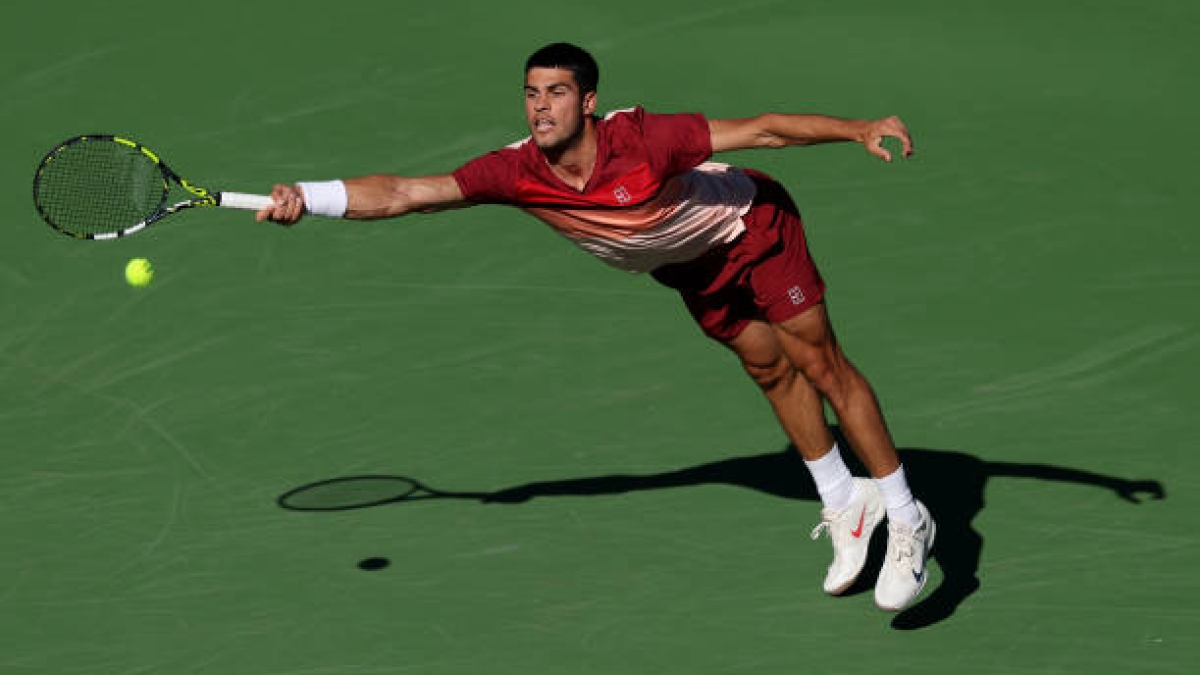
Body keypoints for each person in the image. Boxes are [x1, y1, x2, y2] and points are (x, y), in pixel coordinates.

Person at [258, 42, 934, 613]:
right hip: (689, 269)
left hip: (753, 228)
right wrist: (307, 197)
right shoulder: (515, 170)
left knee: (821, 366)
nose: (540, 106)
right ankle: (846, 501)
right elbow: (406, 192)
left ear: (587, 102)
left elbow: (763, 129)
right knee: (767, 369)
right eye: (531, 93)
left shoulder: (641, 140)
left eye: (555, 92)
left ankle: (906, 515)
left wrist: (855, 127)